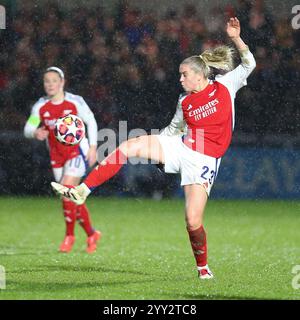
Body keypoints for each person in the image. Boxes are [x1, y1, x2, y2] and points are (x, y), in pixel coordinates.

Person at [51, 18, 256, 278]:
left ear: (200, 74)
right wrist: (156, 150)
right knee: (128, 146)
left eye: (185, 74)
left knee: (193, 221)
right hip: (181, 146)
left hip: (204, 160)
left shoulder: (225, 86)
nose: (180, 79)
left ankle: (203, 268)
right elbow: (172, 131)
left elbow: (250, 64)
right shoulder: (185, 101)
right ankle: (83, 190)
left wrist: (236, 39)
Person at [24, 66, 101, 254]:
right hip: (57, 158)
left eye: (54, 81)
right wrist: (35, 132)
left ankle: (70, 236)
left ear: (62, 83)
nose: (50, 85)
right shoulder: (40, 106)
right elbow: (27, 128)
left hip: (78, 152)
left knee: (66, 190)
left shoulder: (75, 102)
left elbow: (90, 120)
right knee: (71, 197)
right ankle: (91, 233)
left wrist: (92, 147)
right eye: (47, 81)